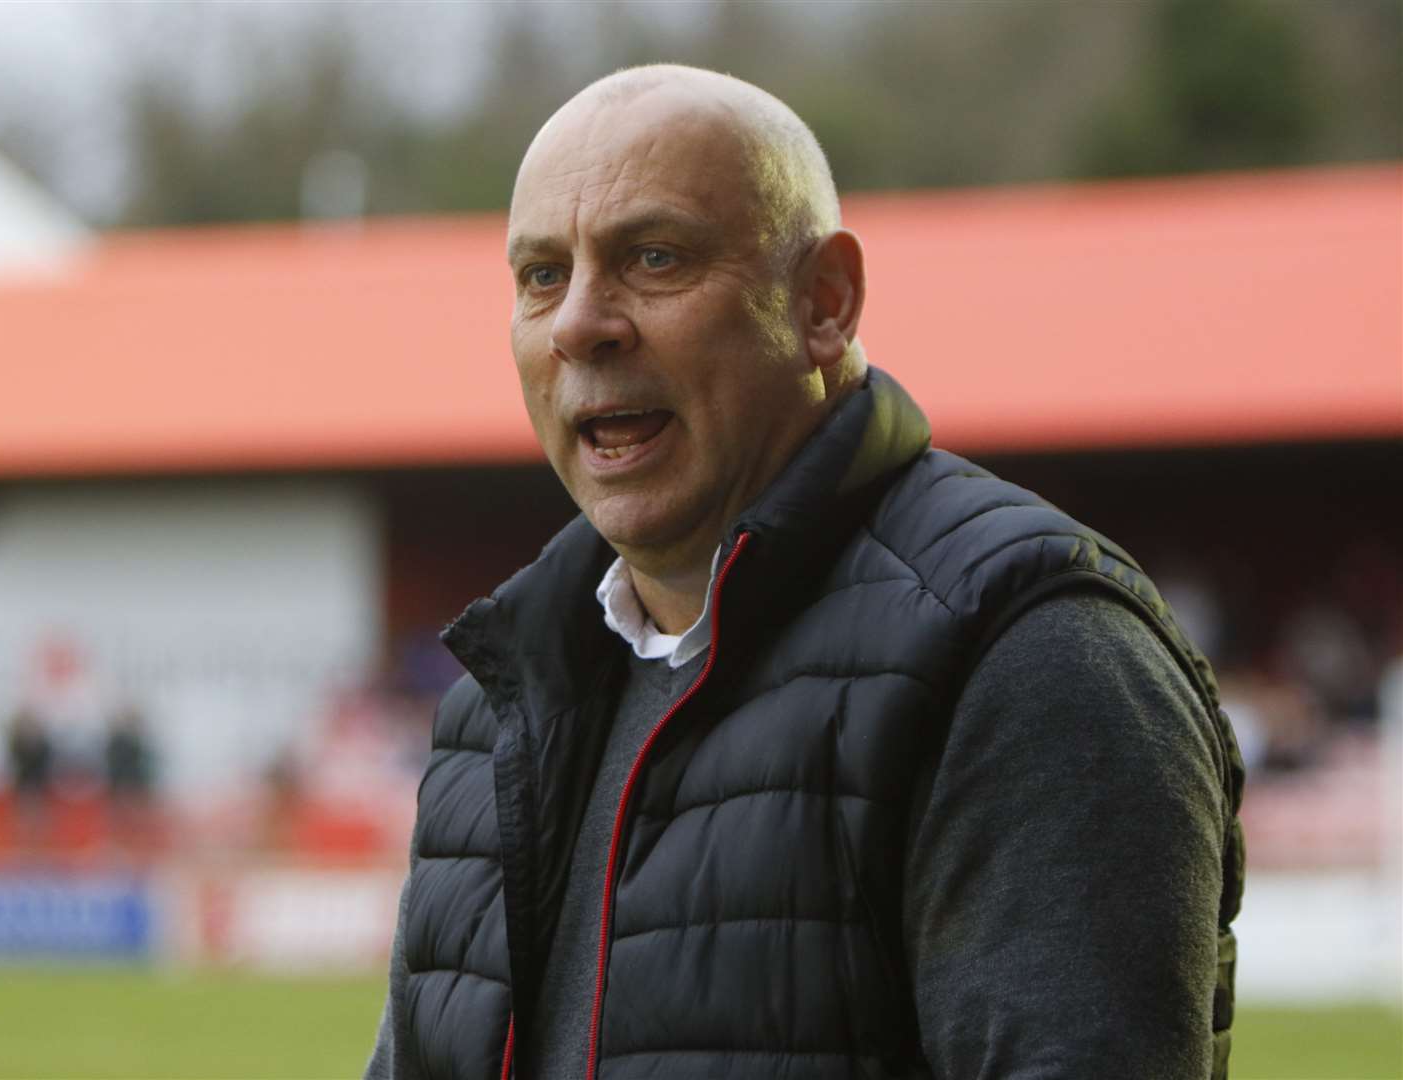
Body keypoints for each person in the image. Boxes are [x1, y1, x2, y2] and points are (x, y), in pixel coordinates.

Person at [365, 65, 1244, 1080]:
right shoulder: (496, 698)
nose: (578, 325)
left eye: (652, 258)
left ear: (823, 302)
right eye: (540, 276)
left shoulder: (1030, 649)